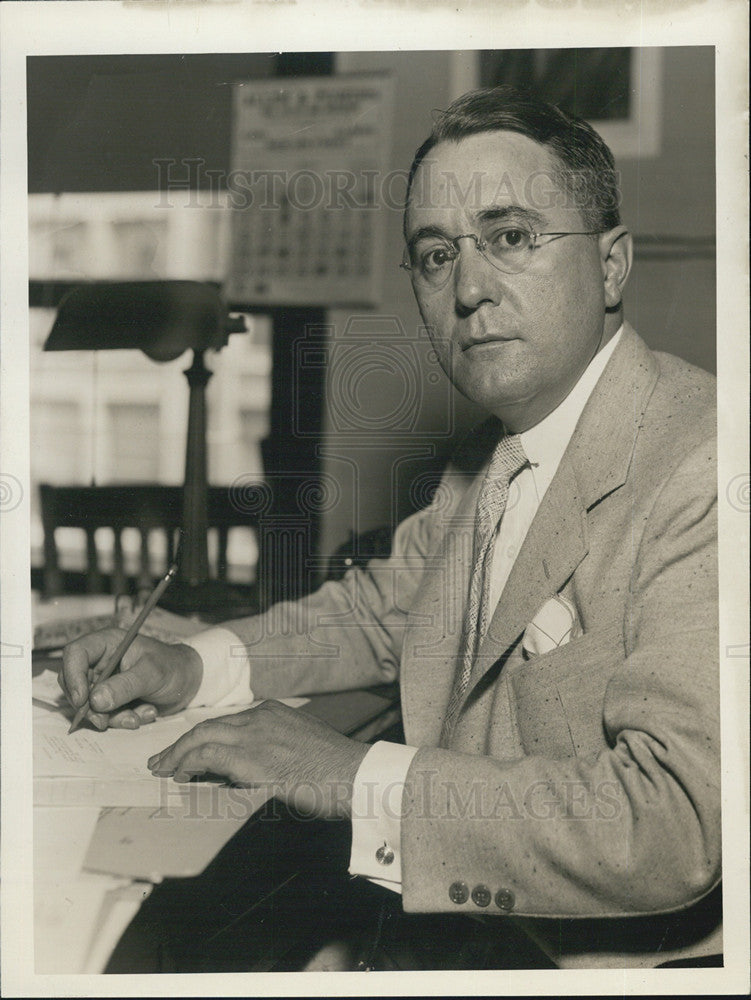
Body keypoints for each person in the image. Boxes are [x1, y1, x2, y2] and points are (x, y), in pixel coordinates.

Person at [59, 86, 721, 970]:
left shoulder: (706, 467)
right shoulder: (491, 455)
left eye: (512, 236)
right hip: (462, 924)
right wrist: (191, 664)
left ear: (610, 265)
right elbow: (379, 612)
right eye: (437, 254)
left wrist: (349, 774)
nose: (470, 288)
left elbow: (671, 825)